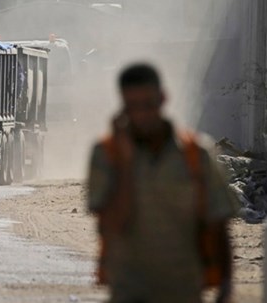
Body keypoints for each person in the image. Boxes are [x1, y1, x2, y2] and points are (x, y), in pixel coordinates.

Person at [87, 63, 236, 303]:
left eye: (148, 104)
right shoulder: (107, 155)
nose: (142, 114)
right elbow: (113, 226)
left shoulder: (196, 153)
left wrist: (226, 287)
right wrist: (126, 164)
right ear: (123, 107)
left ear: (163, 98)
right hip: (129, 292)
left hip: (184, 291)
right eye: (132, 107)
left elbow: (217, 223)